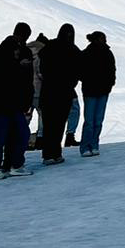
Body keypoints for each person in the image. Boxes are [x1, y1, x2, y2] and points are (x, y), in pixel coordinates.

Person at [0, 23, 35, 179]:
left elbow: (26, 82)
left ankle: (14, 164)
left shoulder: (16, 59)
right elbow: (0, 78)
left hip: (13, 105)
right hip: (1, 105)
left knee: (20, 133)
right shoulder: (3, 58)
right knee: (2, 136)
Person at [38, 24, 82, 165]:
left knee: (50, 124)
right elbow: (78, 71)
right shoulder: (72, 50)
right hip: (64, 92)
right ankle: (54, 153)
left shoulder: (50, 47)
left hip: (49, 91)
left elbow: (43, 68)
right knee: (58, 124)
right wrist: (70, 83)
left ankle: (49, 154)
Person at [79, 31, 116, 156]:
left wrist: (110, 84)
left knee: (98, 120)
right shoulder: (87, 53)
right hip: (91, 91)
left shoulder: (107, 53)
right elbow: (81, 71)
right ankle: (85, 146)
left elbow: (112, 70)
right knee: (90, 121)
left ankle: (94, 144)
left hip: (102, 90)